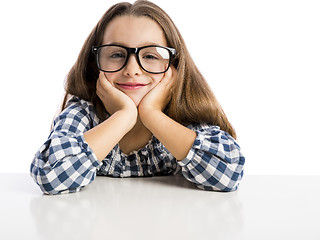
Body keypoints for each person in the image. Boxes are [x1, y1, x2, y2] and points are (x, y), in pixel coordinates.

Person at [30, 0, 245, 195]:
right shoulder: (84, 114)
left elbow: (229, 172)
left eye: (150, 55)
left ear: (174, 66)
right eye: (116, 54)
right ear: (94, 64)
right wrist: (124, 116)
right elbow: (50, 175)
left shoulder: (184, 117)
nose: (132, 70)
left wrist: (151, 114)